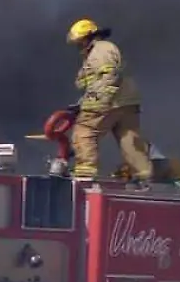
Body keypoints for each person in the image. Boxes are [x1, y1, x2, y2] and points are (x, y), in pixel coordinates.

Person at [65, 18, 154, 185]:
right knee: (129, 139)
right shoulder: (104, 50)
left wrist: (96, 103)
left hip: (109, 103)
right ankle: (144, 177)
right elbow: (94, 82)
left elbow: (108, 77)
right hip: (126, 103)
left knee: (84, 132)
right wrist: (82, 102)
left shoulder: (101, 50)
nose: (78, 46)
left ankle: (85, 176)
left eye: (79, 41)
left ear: (88, 37)